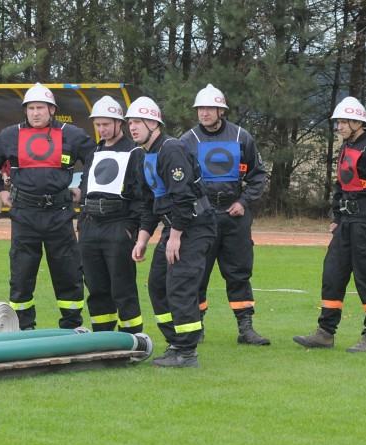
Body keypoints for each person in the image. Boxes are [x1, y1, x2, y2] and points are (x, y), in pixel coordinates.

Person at [0, 82, 96, 330]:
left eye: (40, 108)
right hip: (24, 214)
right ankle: (23, 327)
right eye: (31, 108)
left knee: (68, 272)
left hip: (59, 214)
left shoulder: (71, 134)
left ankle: (71, 326)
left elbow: (96, 160)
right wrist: (0, 191)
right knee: (21, 274)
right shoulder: (10, 135)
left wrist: (83, 189)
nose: (35, 113)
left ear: (52, 110)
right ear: (25, 110)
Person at [293, 97, 366, 352]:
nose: (340, 126)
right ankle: (325, 333)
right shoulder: (347, 146)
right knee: (332, 274)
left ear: (358, 123)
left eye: (344, 122)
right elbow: (341, 184)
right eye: (338, 122)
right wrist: (337, 217)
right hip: (346, 222)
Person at [128, 96, 216, 368]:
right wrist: (142, 239)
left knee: (180, 285)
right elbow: (149, 202)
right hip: (174, 225)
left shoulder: (172, 150)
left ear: (154, 124)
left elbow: (183, 197)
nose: (132, 127)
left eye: (138, 122)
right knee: (158, 285)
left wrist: (175, 236)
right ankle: (175, 343)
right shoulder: (142, 155)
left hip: (193, 226)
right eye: (130, 122)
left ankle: (187, 352)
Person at [179, 84, 270, 345]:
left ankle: (246, 328)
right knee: (198, 274)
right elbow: (181, 181)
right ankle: (196, 327)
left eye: (210, 108)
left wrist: (244, 201)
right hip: (201, 218)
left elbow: (258, 176)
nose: (204, 113)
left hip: (234, 216)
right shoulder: (187, 141)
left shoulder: (242, 137)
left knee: (239, 272)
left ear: (221, 110)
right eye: (200, 108)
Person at [78, 96, 144, 333]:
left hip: (118, 224)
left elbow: (141, 194)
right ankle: (102, 337)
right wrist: (82, 224)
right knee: (95, 286)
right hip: (91, 225)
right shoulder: (94, 152)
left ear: (119, 123)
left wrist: (130, 228)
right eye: (98, 124)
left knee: (122, 286)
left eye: (106, 124)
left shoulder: (135, 152)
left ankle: (132, 338)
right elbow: (86, 188)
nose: (102, 129)